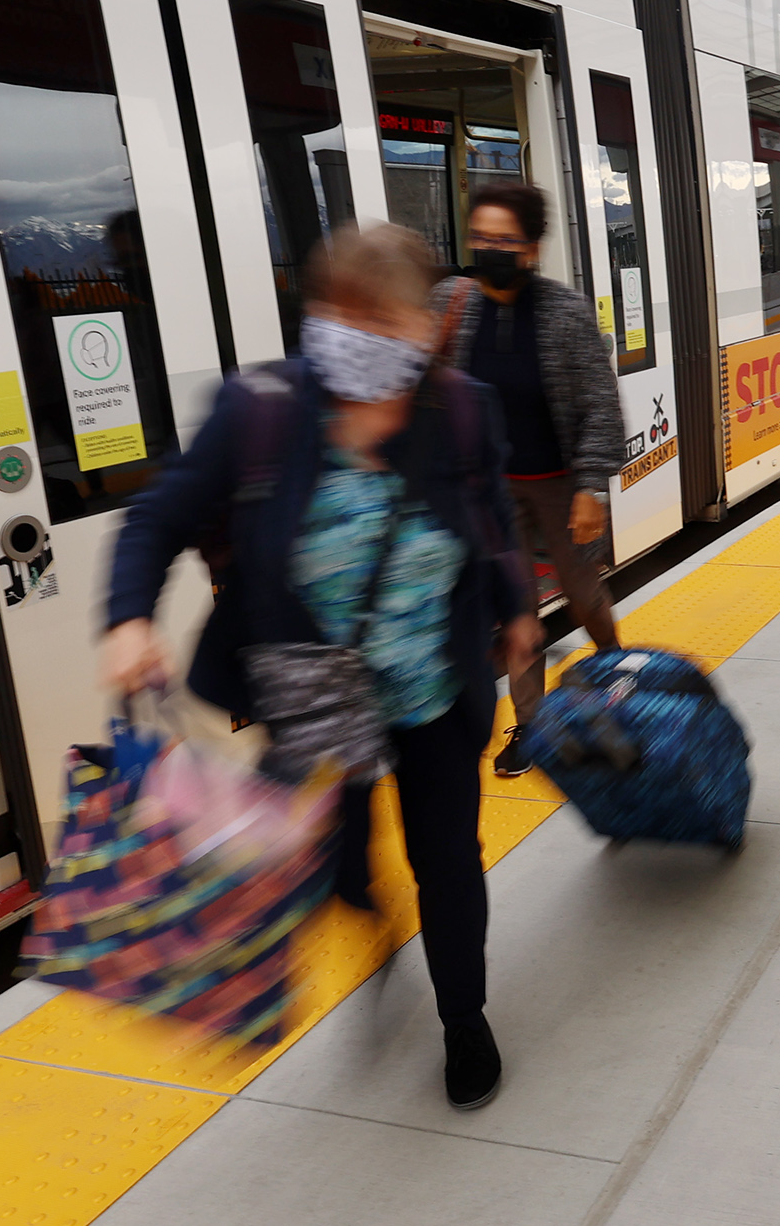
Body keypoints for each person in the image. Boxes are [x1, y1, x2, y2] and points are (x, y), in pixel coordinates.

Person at [103, 222, 541, 1110]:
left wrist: (519, 612)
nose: (355, 333)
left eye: (379, 318)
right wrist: (127, 619)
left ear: (421, 326)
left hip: (432, 692)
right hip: (311, 699)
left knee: (448, 863)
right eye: (338, 312)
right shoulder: (259, 409)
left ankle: (465, 1019)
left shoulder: (459, 409)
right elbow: (155, 519)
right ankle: (362, 906)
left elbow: (493, 519)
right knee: (329, 855)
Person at [438, 181, 627, 776]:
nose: (492, 249)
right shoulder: (448, 304)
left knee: (581, 590)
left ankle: (618, 667)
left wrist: (592, 487)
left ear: (533, 248)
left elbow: (600, 404)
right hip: (489, 490)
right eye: (481, 238)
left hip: (559, 481)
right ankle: (533, 725)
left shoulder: (565, 312)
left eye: (506, 240)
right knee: (515, 606)